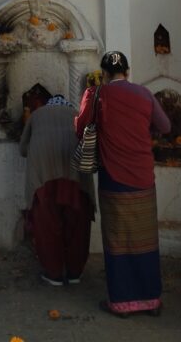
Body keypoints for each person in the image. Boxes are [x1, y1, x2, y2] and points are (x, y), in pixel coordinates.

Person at [76, 51, 170, 318]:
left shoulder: (96, 95)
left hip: (113, 177)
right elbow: (165, 126)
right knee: (145, 239)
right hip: (142, 177)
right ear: (127, 72)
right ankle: (150, 300)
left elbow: (81, 128)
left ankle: (122, 303)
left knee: (118, 240)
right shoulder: (144, 94)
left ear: (104, 74)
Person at [20, 94, 95, 286]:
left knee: (47, 224)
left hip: (43, 176)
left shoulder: (36, 115)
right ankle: (74, 272)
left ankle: (53, 273)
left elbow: (22, 149)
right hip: (76, 178)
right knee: (77, 223)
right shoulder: (78, 114)